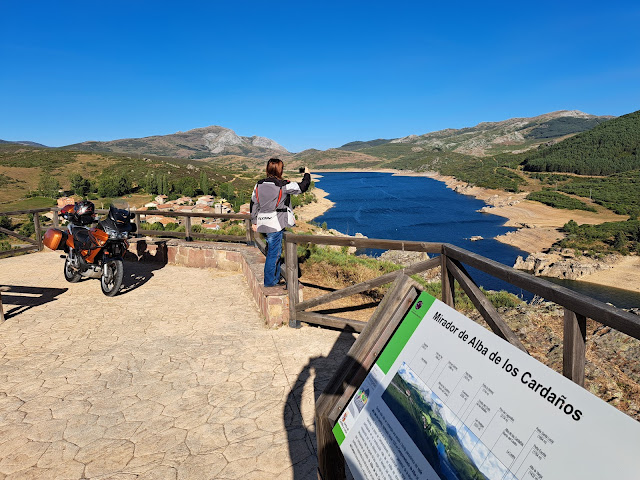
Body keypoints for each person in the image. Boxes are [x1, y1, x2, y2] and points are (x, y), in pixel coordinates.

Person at [250, 158, 311, 287]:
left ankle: (275, 279)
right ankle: (270, 283)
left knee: (273, 251)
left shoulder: (258, 184)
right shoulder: (283, 185)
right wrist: (307, 174)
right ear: (280, 170)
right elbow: (303, 187)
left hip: (262, 223)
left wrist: (254, 221)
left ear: (267, 169)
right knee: (274, 255)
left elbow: (254, 203)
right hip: (275, 224)